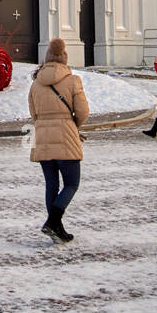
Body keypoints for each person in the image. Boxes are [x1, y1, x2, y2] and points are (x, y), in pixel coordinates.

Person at [29, 37, 90, 243]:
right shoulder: (73, 80)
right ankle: (53, 221)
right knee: (72, 183)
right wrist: (74, 125)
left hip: (42, 136)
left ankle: (56, 228)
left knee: (51, 184)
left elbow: (33, 113)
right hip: (65, 133)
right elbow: (83, 112)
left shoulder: (36, 83)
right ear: (64, 57)